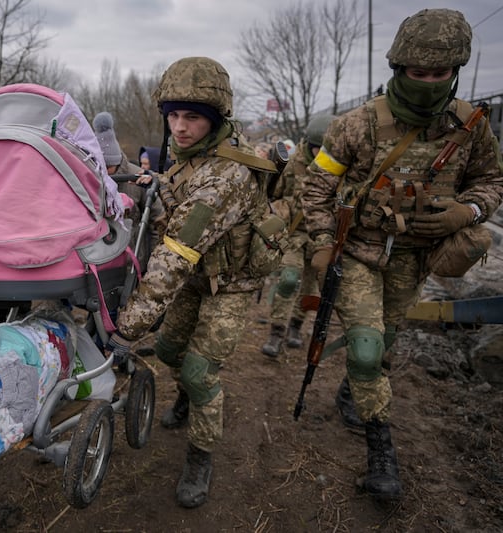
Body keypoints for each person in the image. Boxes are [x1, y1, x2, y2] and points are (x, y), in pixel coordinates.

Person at [302, 8, 503, 501]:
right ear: (399, 69)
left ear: (456, 72)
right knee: (369, 351)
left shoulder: (471, 125)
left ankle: (354, 390)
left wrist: (470, 211)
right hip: (361, 256)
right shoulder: (356, 125)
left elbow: (492, 181)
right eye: (419, 73)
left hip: (417, 261)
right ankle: (381, 455)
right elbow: (316, 189)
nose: (430, 83)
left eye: (441, 74)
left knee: (383, 342)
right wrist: (325, 243)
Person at [106, 57, 275, 508]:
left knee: (200, 372)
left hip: (230, 283)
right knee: (167, 350)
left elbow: (175, 255)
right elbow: (179, 190)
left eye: (193, 117)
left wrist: (127, 327)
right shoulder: (192, 156)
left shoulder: (228, 177)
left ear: (215, 120)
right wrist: (155, 184)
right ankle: (187, 396)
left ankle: (200, 456)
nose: (179, 128)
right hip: (198, 276)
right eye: (173, 116)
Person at [261, 114, 335, 358]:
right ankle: (277, 330)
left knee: (311, 287)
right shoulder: (293, 165)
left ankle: (296, 325)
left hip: (321, 237)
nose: (319, 154)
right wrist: (285, 208)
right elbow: (274, 196)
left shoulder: (338, 167)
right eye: (315, 148)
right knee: (289, 279)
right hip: (293, 235)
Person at [93, 111, 166, 267]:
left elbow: (158, 222)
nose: (104, 172)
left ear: (118, 161)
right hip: (100, 264)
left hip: (134, 264)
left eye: (109, 167)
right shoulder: (90, 178)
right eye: (100, 167)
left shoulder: (137, 177)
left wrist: (153, 264)